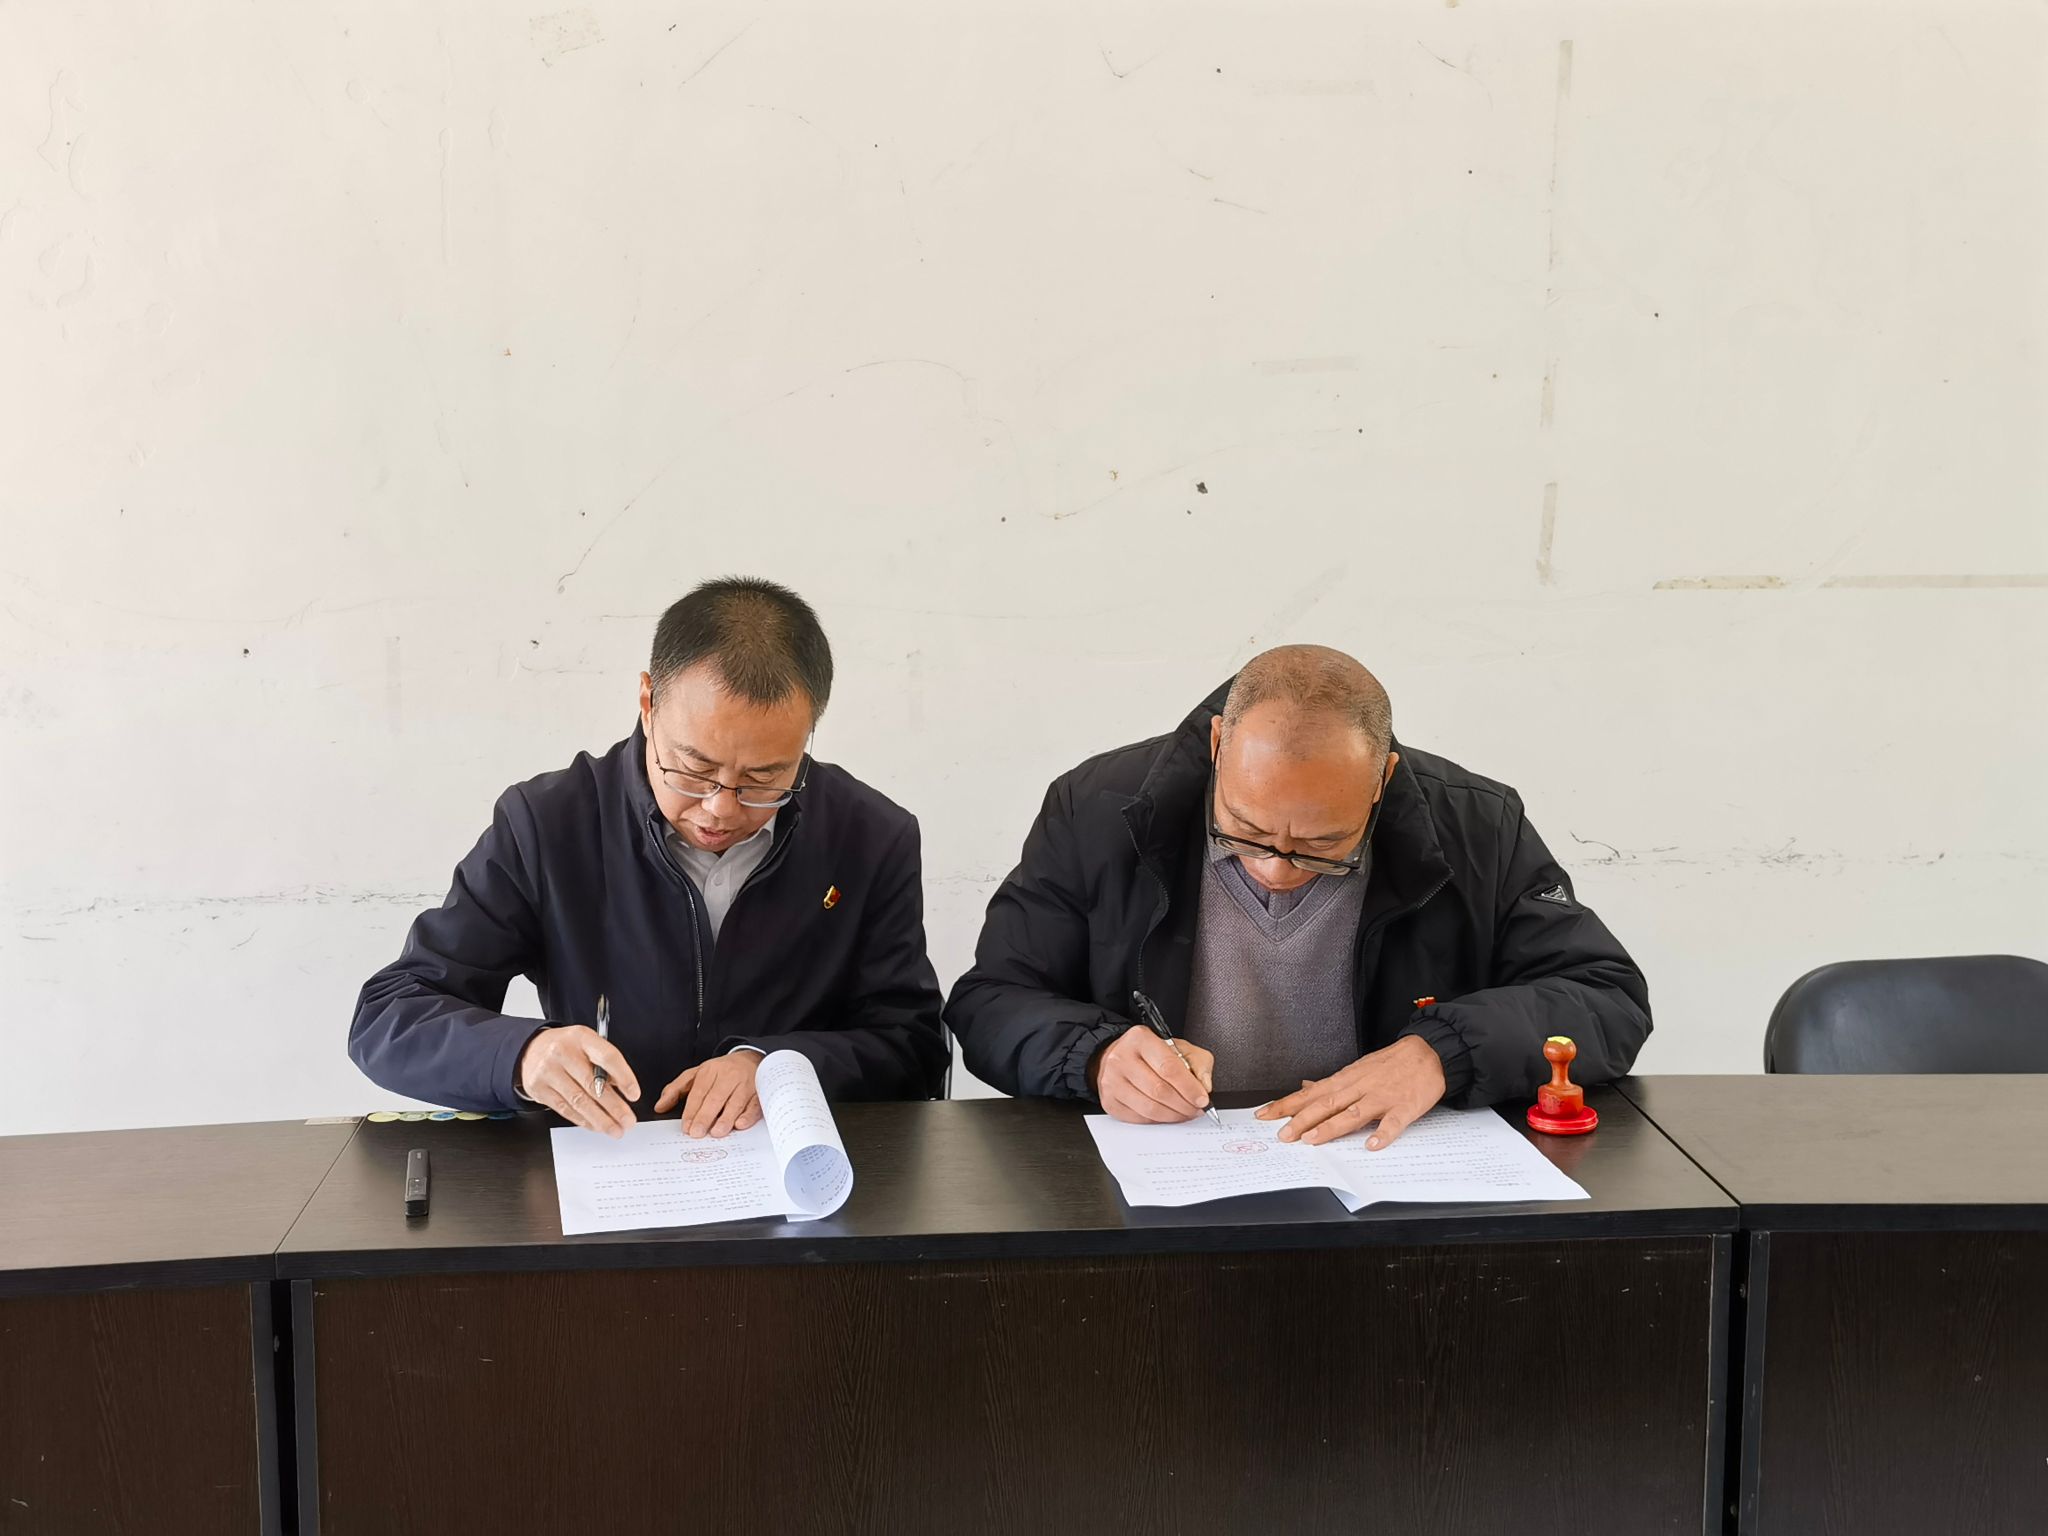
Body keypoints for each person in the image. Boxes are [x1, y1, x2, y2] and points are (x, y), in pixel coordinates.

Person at [946, 645, 1650, 1148]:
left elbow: (1607, 996)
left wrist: (1442, 1053)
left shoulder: (1476, 827)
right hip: (1167, 1176)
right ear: (1218, 745)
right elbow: (991, 1000)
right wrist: (1096, 1055)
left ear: (1382, 781)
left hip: (1388, 1181)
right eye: (1244, 831)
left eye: (1323, 845)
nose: (1277, 870)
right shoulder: (1099, 809)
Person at [350, 577, 947, 1137]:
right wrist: (523, 1055)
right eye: (693, 768)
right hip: (603, 1171)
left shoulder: (870, 836)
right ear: (647, 700)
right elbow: (391, 1016)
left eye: (764, 779)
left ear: (808, 733)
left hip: (789, 1177)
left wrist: (779, 1067)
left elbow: (914, 1047)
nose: (720, 808)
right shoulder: (549, 824)